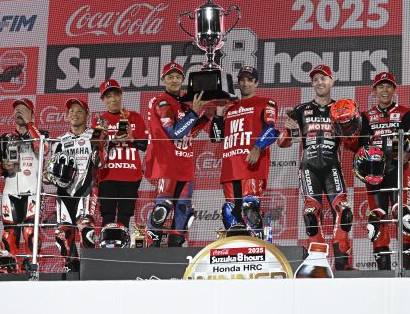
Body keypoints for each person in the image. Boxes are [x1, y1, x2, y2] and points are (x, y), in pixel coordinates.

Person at [278, 64, 354, 271]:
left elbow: (352, 142)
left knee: (345, 211)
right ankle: (317, 264)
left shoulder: (341, 108)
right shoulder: (300, 110)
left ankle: (342, 264)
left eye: (323, 78)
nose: (320, 82)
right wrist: (288, 129)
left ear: (331, 81)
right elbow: (282, 143)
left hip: (332, 166)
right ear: (312, 84)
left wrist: (348, 128)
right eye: (316, 79)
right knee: (311, 214)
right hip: (308, 168)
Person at [144, 62, 210, 247]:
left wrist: (207, 116)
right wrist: (194, 112)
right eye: (170, 77)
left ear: (183, 80)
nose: (174, 80)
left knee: (183, 210)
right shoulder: (162, 102)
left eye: (178, 77)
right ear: (163, 79)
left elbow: (189, 132)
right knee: (162, 208)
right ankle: (151, 249)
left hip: (185, 165)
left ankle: (175, 250)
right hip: (166, 164)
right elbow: (175, 133)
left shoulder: (183, 105)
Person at [357, 72, 410, 270]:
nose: (385, 90)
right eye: (380, 86)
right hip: (374, 173)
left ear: (394, 89)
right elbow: (360, 146)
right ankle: (383, 268)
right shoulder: (366, 116)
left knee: (403, 215)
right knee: (376, 217)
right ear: (374, 91)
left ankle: (406, 266)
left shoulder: (406, 113)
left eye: (388, 86)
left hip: (398, 170)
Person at [209, 66, 279, 238]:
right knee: (229, 210)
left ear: (256, 83)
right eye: (242, 80)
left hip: (251, 165)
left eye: (250, 80)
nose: (246, 83)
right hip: (230, 167)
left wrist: (258, 147)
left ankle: (258, 247)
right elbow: (216, 138)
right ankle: (236, 248)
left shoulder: (266, 103)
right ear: (238, 82)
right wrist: (218, 115)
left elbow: (272, 129)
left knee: (250, 207)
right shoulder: (229, 107)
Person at [46, 97, 103, 271]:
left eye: (79, 111)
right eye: (71, 111)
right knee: (62, 234)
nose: (74, 114)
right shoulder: (59, 141)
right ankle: (71, 268)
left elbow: (101, 162)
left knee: (86, 229)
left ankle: (89, 268)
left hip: (86, 189)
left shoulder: (94, 135)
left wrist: (99, 145)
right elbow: (48, 173)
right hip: (63, 193)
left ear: (87, 115)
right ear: (66, 115)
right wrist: (50, 175)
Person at [0, 98, 49, 270]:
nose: (19, 112)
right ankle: (11, 272)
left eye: (24, 110)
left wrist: (29, 124)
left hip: (33, 192)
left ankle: (32, 271)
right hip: (10, 193)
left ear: (32, 115)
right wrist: (3, 166)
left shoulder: (41, 134)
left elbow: (44, 149)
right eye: (16, 109)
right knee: (9, 234)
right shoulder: (5, 138)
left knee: (30, 232)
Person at [97, 79, 148, 246]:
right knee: (108, 215)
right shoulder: (100, 120)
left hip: (131, 174)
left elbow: (146, 145)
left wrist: (132, 139)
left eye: (115, 94)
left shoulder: (135, 117)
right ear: (103, 100)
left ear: (121, 95)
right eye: (108, 96)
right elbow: (95, 147)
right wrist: (111, 141)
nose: (113, 99)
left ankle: (123, 247)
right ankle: (107, 248)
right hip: (107, 174)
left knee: (125, 216)